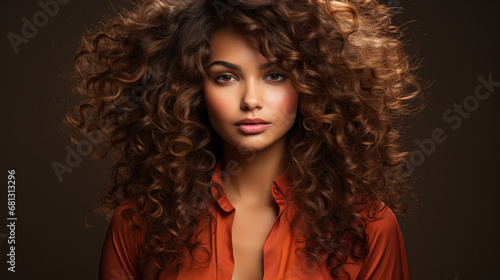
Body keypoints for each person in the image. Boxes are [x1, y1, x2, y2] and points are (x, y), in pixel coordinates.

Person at [66, 0, 422, 279]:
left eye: (274, 75)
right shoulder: (140, 223)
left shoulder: (368, 227)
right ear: (191, 89)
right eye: (225, 78)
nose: (251, 99)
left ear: (311, 84)